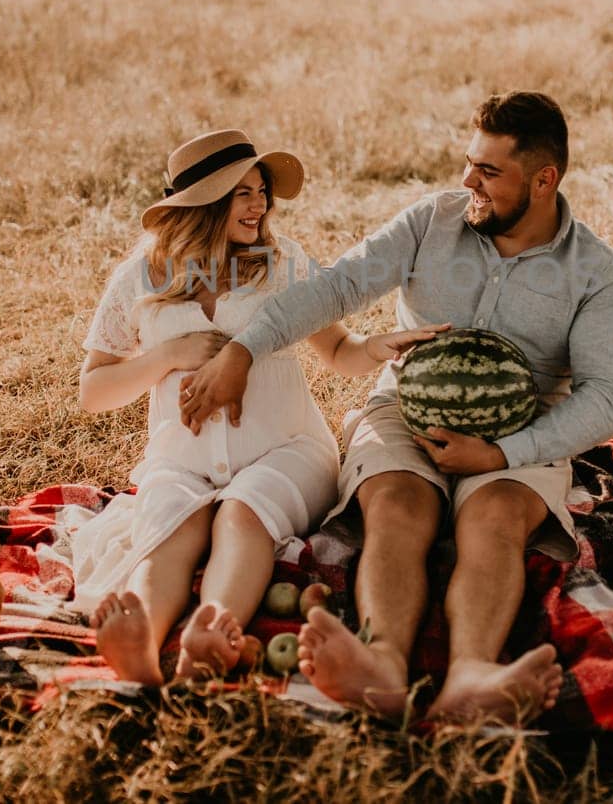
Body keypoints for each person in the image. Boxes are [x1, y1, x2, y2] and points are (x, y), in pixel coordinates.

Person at [179, 92, 613, 724]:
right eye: (468, 162)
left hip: (522, 428)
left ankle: (473, 675)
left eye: (488, 171)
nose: (466, 181)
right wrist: (243, 351)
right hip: (404, 405)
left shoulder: (596, 271)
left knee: (496, 517)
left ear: (543, 180)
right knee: (394, 504)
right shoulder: (432, 221)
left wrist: (502, 453)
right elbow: (335, 286)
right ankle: (383, 663)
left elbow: (608, 397)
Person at [72, 128, 445, 685]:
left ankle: (209, 633)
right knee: (173, 530)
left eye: (260, 190)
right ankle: (141, 644)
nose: (260, 204)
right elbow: (93, 390)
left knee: (242, 515)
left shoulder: (282, 263)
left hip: (286, 448)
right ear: (201, 205)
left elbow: (339, 350)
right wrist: (169, 356)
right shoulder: (141, 278)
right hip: (181, 457)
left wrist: (376, 348)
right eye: (241, 192)